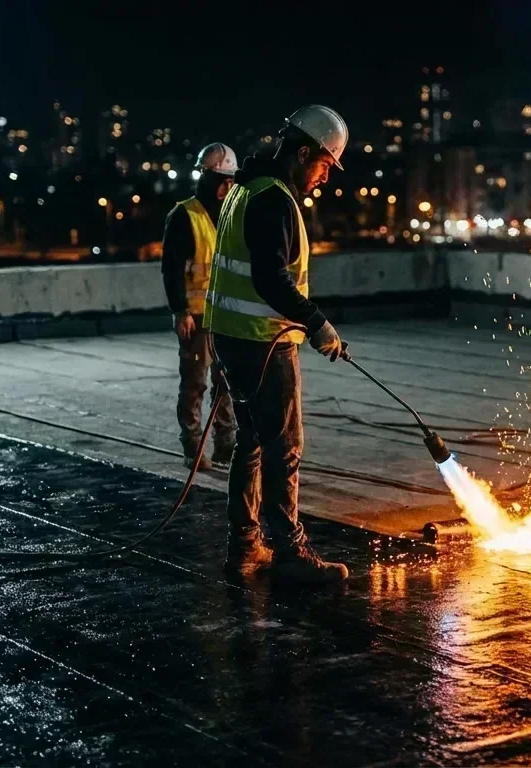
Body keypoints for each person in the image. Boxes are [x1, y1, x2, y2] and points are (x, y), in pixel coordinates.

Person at [206, 105, 351, 584]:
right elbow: (271, 279)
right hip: (261, 340)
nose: (326, 179)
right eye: (325, 166)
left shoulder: (247, 187)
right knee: (284, 444)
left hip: (232, 336)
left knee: (251, 439)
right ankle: (290, 551)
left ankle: (244, 545)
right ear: (304, 152)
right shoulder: (272, 199)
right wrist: (317, 323)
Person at [162, 143, 239, 469]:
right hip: (196, 317)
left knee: (228, 384)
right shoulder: (185, 215)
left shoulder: (232, 215)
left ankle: (226, 446)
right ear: (210, 177)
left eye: (230, 180)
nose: (228, 186)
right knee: (194, 384)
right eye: (224, 179)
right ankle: (193, 448)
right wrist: (180, 311)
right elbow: (172, 268)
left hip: (228, 318)